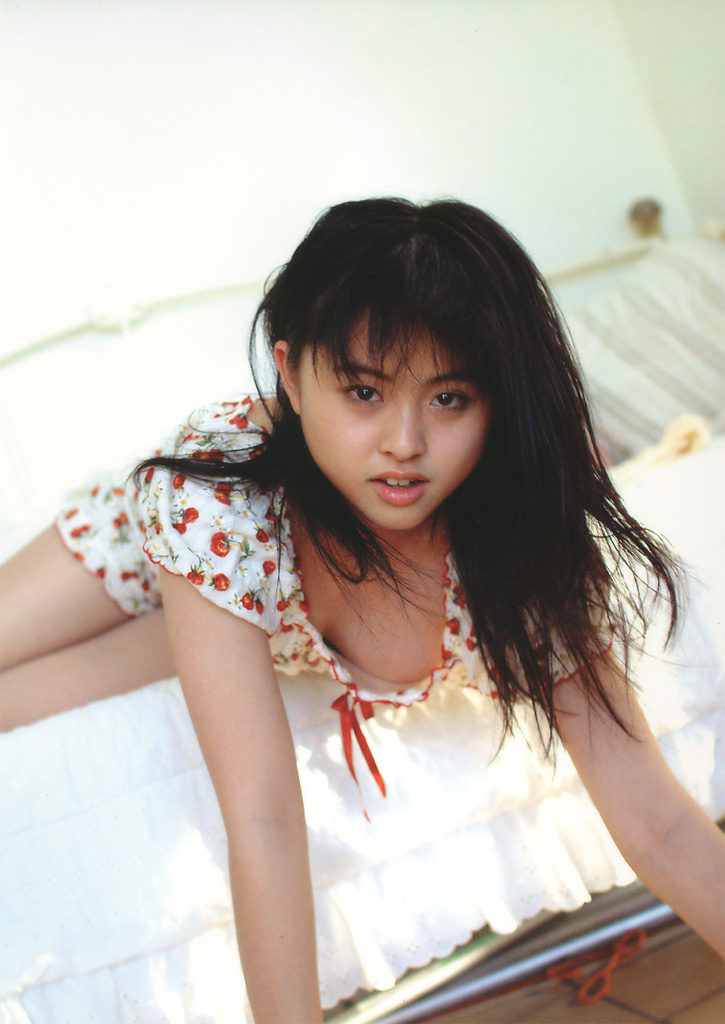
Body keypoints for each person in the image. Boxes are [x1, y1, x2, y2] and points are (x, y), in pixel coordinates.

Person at [0, 198, 723, 1022]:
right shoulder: (213, 496)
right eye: (363, 391)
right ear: (288, 373)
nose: (403, 443)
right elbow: (262, 818)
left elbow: (658, 822)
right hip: (161, 543)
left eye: (449, 398)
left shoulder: (520, 544)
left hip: (243, 598)